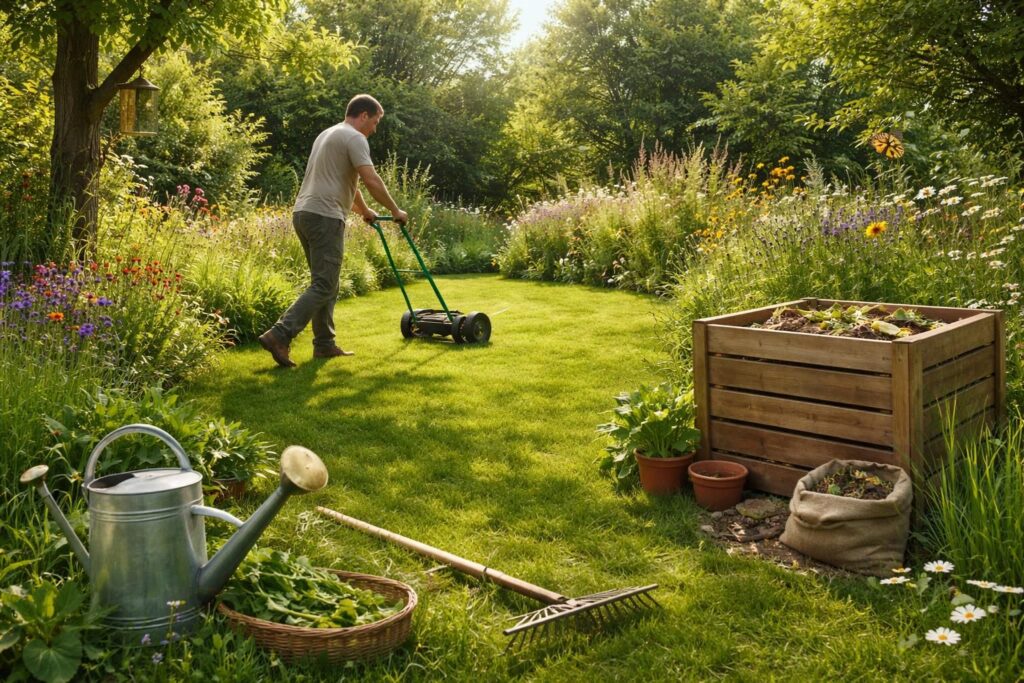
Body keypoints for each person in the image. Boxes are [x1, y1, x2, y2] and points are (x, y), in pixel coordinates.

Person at [259, 94, 408, 367]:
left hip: (304, 213)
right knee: (325, 283)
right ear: (363, 115)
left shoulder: (328, 134)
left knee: (327, 281)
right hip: (324, 216)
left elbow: (349, 183)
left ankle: (324, 344)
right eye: (375, 122)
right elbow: (370, 179)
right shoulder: (354, 138)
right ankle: (279, 335)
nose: (375, 129)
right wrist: (396, 210)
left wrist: (364, 211)